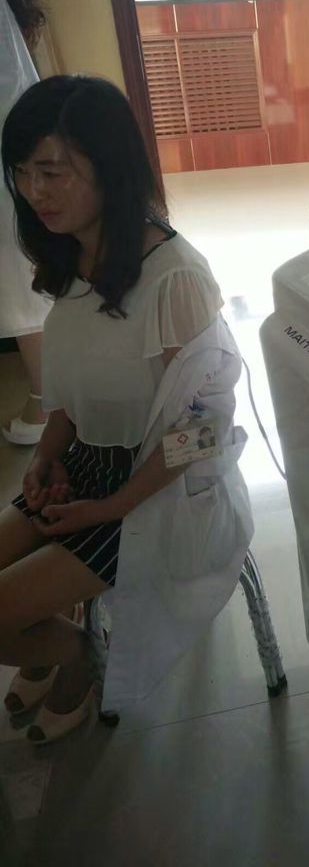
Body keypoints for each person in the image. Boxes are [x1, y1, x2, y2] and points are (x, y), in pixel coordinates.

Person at [0, 75, 253, 743]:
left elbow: (205, 431)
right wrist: (46, 459)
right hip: (87, 466)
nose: (34, 192)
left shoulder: (175, 279)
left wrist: (111, 506)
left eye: (52, 172)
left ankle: (76, 656)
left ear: (109, 168)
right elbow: (70, 397)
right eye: (22, 173)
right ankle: (51, 638)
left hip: (158, 493)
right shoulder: (72, 255)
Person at [0, 0, 51, 444]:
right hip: (19, 142)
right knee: (24, 278)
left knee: (20, 284)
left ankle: (45, 402)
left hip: (10, 154)